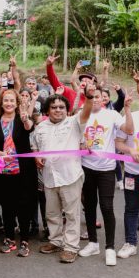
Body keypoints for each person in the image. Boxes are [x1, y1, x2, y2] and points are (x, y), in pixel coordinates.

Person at [32, 81, 96, 263]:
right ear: (48, 110)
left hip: (70, 176)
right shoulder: (41, 127)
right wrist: (36, 156)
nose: (58, 110)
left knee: (71, 214)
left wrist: (89, 97)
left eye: (61, 107)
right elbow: (35, 146)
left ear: (67, 110)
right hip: (49, 177)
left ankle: (70, 247)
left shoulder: (74, 122)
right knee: (52, 213)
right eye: (54, 107)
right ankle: (56, 241)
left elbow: (86, 112)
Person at [78, 86, 134, 266]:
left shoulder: (112, 115)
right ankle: (93, 243)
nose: (95, 99)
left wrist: (127, 109)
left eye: (99, 97)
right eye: (92, 96)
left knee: (107, 207)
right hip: (86, 167)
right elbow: (75, 137)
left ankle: (110, 248)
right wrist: (80, 144)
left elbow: (129, 130)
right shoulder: (81, 114)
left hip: (107, 169)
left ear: (104, 99)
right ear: (87, 98)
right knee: (89, 206)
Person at [0, 89, 37, 257]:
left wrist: (25, 119)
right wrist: (1, 154)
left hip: (23, 172)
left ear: (17, 103)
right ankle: (9, 238)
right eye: (6, 100)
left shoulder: (22, 119)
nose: (9, 103)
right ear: (1, 103)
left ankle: (24, 240)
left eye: (12, 101)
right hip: (2, 172)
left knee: (24, 206)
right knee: (7, 206)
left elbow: (29, 128)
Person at [115, 87, 139, 263]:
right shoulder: (131, 117)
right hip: (133, 172)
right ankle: (130, 243)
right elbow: (118, 143)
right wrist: (130, 150)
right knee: (131, 209)